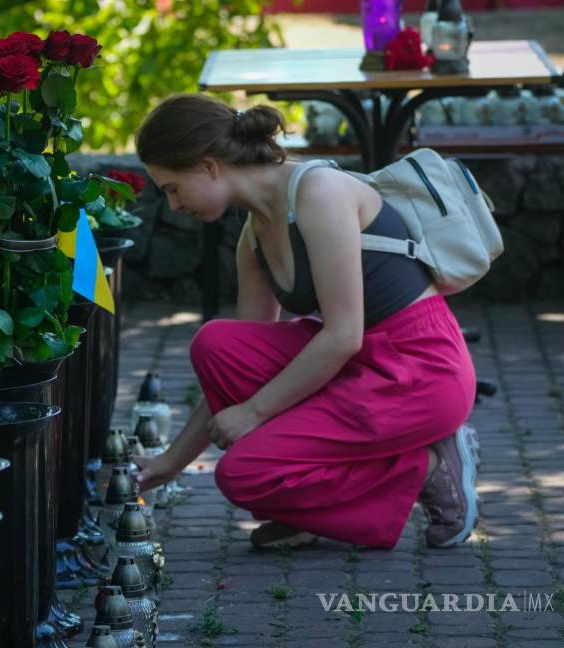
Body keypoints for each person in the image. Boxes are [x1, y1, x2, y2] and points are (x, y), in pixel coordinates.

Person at [131, 94, 479, 550]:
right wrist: (171, 461)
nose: (173, 206)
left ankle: (431, 469)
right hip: (359, 365)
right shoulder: (253, 235)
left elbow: (343, 336)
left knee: (243, 473)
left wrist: (255, 414)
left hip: (418, 372)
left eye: (172, 188)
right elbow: (233, 380)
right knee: (216, 345)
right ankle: (302, 507)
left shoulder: (319, 193)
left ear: (209, 166)